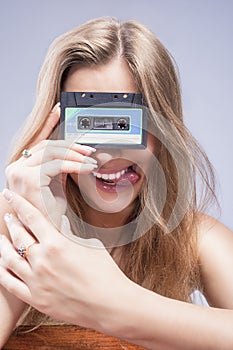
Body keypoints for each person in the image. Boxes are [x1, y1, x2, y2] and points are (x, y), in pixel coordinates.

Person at [0, 16, 233, 349]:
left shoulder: (195, 239)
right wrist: (31, 223)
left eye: (125, 124)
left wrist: (110, 303)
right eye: (88, 122)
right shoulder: (10, 223)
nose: (106, 152)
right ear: (54, 130)